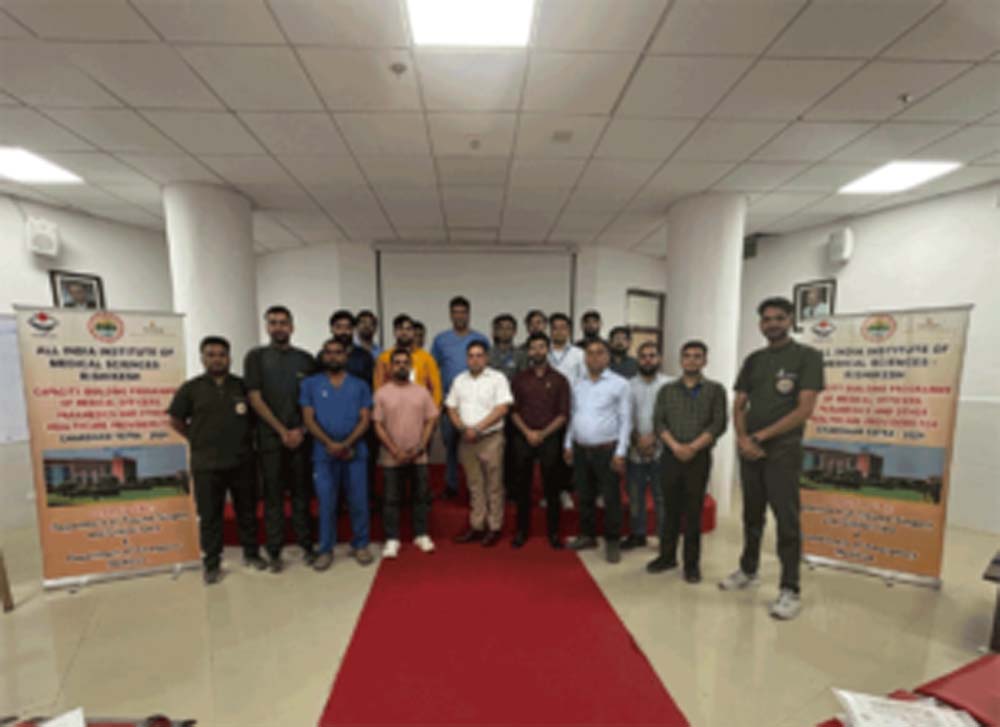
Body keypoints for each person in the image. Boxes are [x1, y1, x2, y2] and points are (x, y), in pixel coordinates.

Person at [719, 297, 824, 621]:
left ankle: (790, 589)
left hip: (783, 450)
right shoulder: (754, 360)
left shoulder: (807, 357)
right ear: (760, 324)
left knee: (786, 520)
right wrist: (742, 439)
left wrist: (760, 437)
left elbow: (804, 409)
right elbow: (739, 404)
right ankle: (748, 570)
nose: (772, 324)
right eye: (766, 319)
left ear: (790, 320)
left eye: (779, 318)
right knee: (752, 514)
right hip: (750, 449)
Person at [169, 336, 265, 585]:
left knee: (247, 512)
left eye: (222, 355)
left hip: (242, 461)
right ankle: (212, 563)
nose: (217, 359)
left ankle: (251, 554)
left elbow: (255, 420)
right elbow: (176, 420)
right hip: (207, 464)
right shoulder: (191, 388)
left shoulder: (242, 387)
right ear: (202, 358)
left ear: (229, 358)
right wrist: (195, 438)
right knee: (210, 516)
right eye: (211, 355)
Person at [245, 305, 317, 573]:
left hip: (301, 438)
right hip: (271, 439)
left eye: (283, 322)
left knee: (301, 494)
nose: (278, 327)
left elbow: (312, 400)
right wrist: (281, 431)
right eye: (273, 322)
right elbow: (254, 398)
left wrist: (301, 430)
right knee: (273, 497)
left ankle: (307, 545)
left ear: (292, 327)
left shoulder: (305, 360)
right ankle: (274, 550)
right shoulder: (256, 357)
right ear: (267, 327)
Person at [648, 341, 727, 584]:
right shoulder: (667, 390)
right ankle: (667, 557)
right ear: (681, 360)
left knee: (693, 512)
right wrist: (675, 447)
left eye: (697, 356)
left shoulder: (715, 390)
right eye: (687, 356)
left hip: (698, 458)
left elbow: (718, 424)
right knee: (669, 510)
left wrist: (692, 447)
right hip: (670, 456)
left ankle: (692, 565)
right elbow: (659, 422)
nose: (692, 360)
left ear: (705, 361)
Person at [300, 338, 374, 570]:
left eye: (338, 352)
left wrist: (347, 444)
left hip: (354, 452)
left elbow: (365, 419)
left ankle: (360, 544)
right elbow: (308, 418)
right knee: (326, 503)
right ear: (323, 356)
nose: (333, 356)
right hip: (323, 453)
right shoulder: (310, 384)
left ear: (346, 356)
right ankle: (325, 549)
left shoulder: (360, 385)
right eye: (329, 352)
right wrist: (329, 443)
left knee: (358, 501)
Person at [564, 339, 631, 563]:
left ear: (608, 357)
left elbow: (626, 420)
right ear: (585, 358)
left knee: (611, 497)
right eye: (590, 353)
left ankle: (613, 541)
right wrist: (567, 444)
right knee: (584, 495)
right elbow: (573, 416)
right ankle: (587, 535)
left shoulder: (620, 384)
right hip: (581, 449)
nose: (594, 357)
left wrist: (621, 452)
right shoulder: (578, 384)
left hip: (607, 450)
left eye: (600, 352)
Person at [373, 348, 439, 558]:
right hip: (391, 456)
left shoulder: (422, 391)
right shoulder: (381, 393)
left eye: (405, 363)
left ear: (410, 366)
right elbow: (377, 425)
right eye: (397, 362)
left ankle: (421, 534)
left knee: (421, 496)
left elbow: (431, 420)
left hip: (418, 455)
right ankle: (392, 539)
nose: (401, 366)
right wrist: (394, 450)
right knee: (391, 499)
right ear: (390, 367)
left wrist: (421, 446)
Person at [447, 341, 513, 546]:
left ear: (486, 358)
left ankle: (494, 527)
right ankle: (477, 525)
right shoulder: (459, 380)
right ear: (466, 358)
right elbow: (451, 407)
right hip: (466, 439)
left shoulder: (497, 378)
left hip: (490, 438)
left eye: (479, 355)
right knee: (474, 485)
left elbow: (502, 408)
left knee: (494, 485)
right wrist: (462, 428)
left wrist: (477, 428)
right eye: (471, 356)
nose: (475, 360)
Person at [510, 333, 570, 549]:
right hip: (523, 436)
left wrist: (542, 434)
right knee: (522, 487)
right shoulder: (519, 379)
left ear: (548, 350)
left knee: (552, 488)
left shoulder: (560, 380)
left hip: (550, 438)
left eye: (541, 347)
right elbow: (513, 411)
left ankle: (554, 533)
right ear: (528, 351)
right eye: (533, 347)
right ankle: (521, 531)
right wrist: (528, 432)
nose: (537, 351)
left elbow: (563, 414)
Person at [432, 296, 490, 499]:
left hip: (476, 405)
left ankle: (475, 487)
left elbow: (487, 371)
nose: (459, 316)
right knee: (451, 447)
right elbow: (434, 370)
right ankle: (452, 485)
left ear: (468, 314)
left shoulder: (480, 339)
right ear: (450, 315)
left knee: (476, 447)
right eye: (455, 312)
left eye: (463, 312)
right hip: (451, 405)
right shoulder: (441, 340)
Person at [621, 342, 670, 552]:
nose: (648, 360)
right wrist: (637, 441)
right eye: (643, 356)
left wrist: (655, 439)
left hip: (662, 450)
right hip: (635, 450)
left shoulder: (669, 385)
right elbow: (624, 418)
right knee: (635, 496)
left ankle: (663, 536)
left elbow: (671, 417)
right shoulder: (627, 385)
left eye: (652, 355)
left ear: (659, 359)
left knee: (661, 497)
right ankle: (638, 534)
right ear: (637, 360)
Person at [546, 312, 583, 511]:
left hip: (572, 408)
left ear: (569, 331)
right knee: (549, 454)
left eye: (563, 327)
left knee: (567, 452)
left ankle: (565, 491)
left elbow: (584, 381)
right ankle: (550, 492)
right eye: (555, 328)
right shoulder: (543, 352)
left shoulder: (579, 354)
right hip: (547, 411)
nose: (559, 331)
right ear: (550, 331)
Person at [374, 314, 442, 406]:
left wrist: (433, 411)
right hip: (392, 409)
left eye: (408, 329)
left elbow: (436, 389)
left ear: (413, 332)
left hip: (421, 409)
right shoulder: (384, 358)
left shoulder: (426, 358)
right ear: (394, 332)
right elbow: (379, 387)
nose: (404, 332)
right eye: (400, 329)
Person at [325, 309, 373, 386]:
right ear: (331, 329)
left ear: (353, 329)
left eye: (348, 327)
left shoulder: (364, 357)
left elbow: (370, 386)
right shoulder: (323, 356)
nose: (343, 331)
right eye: (339, 327)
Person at [488, 313, 528, 380]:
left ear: (515, 331)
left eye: (508, 328)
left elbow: (524, 379)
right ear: (495, 331)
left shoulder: (521, 355)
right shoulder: (487, 354)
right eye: (501, 328)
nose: (505, 331)